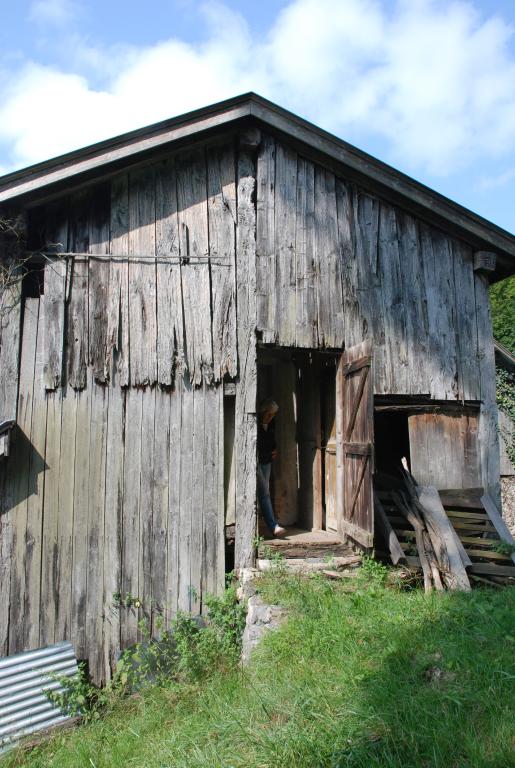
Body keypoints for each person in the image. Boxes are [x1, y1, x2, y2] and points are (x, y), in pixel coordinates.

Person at [257, 398, 286, 537]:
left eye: (273, 415)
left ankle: (270, 525)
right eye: (269, 414)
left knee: (263, 493)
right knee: (264, 493)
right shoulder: (254, 423)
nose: (270, 417)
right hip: (255, 462)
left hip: (266, 462)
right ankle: (273, 526)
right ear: (262, 412)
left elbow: (272, 440)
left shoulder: (271, 423)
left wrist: (274, 449)